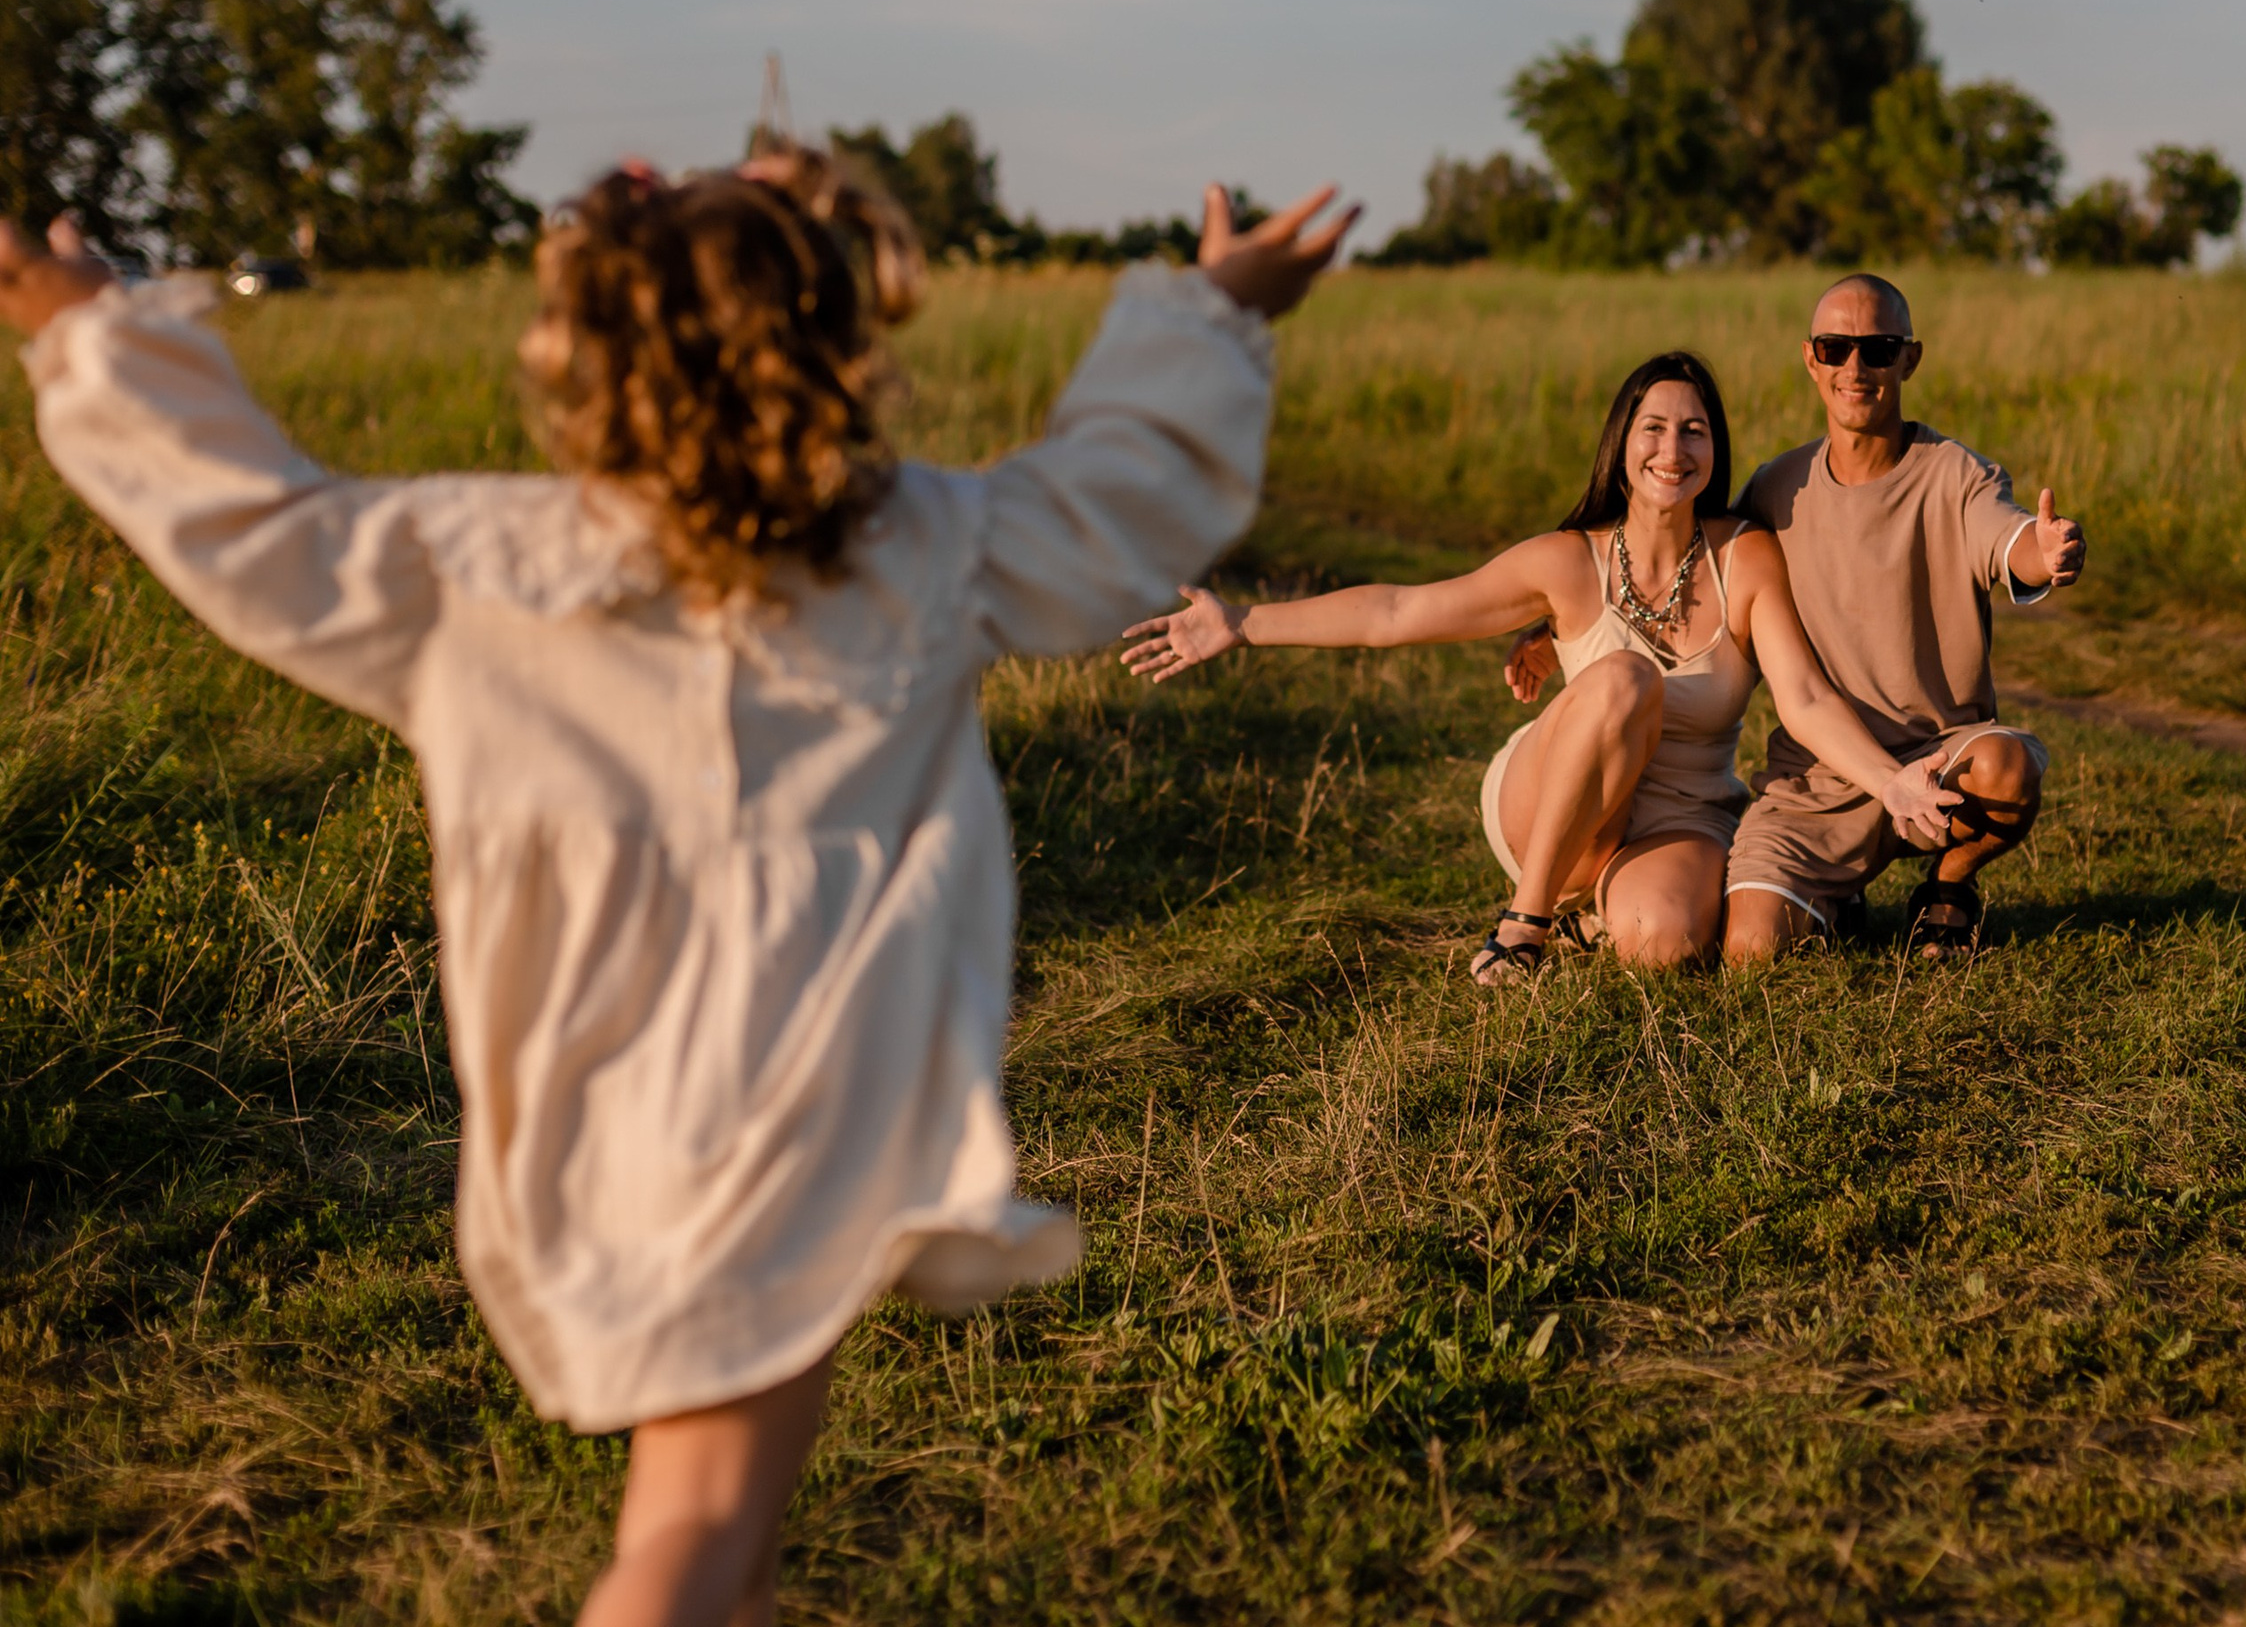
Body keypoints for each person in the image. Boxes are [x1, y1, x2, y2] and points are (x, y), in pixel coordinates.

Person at [0, 164, 1356, 1627]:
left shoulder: (473, 570)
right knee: (697, 1535)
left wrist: (90, 331)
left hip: (596, 1091)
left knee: (722, 1533)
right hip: (805, 1101)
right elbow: (1118, 494)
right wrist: (1217, 309)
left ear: (579, 358)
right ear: (839, 348)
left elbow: (250, 524)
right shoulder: (916, 552)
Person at [1120, 351, 1957, 982]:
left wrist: (1890, 784)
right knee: (1626, 677)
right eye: (1653, 429)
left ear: (1716, 449)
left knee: (1663, 948)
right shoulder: (1567, 563)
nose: (1674, 449)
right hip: (1557, 801)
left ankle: (1590, 923)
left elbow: (1804, 697)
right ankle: (1526, 919)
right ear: (1622, 446)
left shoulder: (1745, 556)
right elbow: (1398, 611)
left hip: (1680, 815)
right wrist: (1242, 623)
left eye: (1695, 430)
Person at [1510, 273, 2087, 963]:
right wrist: (1558, 630)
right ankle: (1834, 904)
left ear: (1910, 358)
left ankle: (1950, 886)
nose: (1856, 367)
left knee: (2006, 766)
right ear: (1811, 359)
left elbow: (2007, 537)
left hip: (1941, 757)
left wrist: (2042, 553)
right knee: (1749, 952)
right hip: (1816, 776)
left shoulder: (1958, 475)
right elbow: (1690, 575)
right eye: (1835, 347)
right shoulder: (1775, 489)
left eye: (1878, 348)